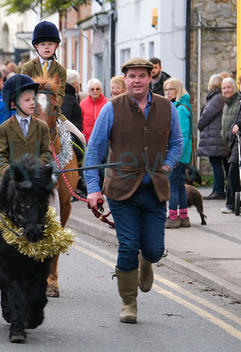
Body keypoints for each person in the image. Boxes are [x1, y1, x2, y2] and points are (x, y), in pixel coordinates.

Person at [85, 57, 182, 324]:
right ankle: (129, 303)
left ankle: (147, 261)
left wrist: (167, 165)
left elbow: (176, 142)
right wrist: (93, 189)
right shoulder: (111, 108)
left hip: (154, 191)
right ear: (124, 80)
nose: (137, 80)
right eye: (132, 76)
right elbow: (94, 150)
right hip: (120, 190)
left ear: (151, 78)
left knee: (152, 249)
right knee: (128, 246)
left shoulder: (167, 107)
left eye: (142, 75)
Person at [0, 74, 55, 247]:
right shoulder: (4, 128)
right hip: (8, 174)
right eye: (27, 99)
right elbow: (0, 155)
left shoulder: (42, 127)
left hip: (35, 175)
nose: (32, 103)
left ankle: (54, 231)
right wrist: (11, 173)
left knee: (55, 195)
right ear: (14, 104)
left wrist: (36, 170)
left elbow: (46, 153)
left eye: (33, 99)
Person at [21, 21, 85, 147]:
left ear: (56, 46)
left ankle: (80, 167)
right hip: (31, 114)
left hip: (54, 114)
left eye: (50, 44)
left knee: (81, 138)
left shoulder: (60, 70)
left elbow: (60, 94)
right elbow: (24, 93)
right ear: (36, 46)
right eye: (42, 44)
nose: (46, 47)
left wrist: (50, 109)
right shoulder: (27, 67)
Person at [163, 78, 192, 229]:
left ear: (178, 90)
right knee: (180, 186)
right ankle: (184, 216)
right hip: (183, 154)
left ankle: (173, 217)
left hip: (178, 155)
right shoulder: (179, 106)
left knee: (173, 185)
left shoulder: (180, 108)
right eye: (166, 89)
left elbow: (183, 135)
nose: (167, 92)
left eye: (170, 89)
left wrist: (175, 155)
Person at [197, 74, 228, 200]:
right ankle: (216, 189)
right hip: (216, 136)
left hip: (214, 137)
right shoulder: (219, 97)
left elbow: (206, 115)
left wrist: (199, 125)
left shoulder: (217, 98)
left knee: (215, 163)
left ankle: (218, 190)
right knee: (216, 163)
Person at [220, 77, 239, 214]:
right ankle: (231, 203)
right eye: (224, 88)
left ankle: (232, 203)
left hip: (237, 142)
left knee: (233, 170)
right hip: (232, 142)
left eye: (229, 87)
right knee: (231, 171)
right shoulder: (227, 103)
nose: (226, 90)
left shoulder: (237, 101)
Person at [80, 78, 108, 144]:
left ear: (101, 90)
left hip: (103, 141)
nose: (95, 91)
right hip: (87, 141)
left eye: (97, 89)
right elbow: (80, 120)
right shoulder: (83, 103)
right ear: (88, 91)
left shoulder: (107, 103)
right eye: (92, 89)